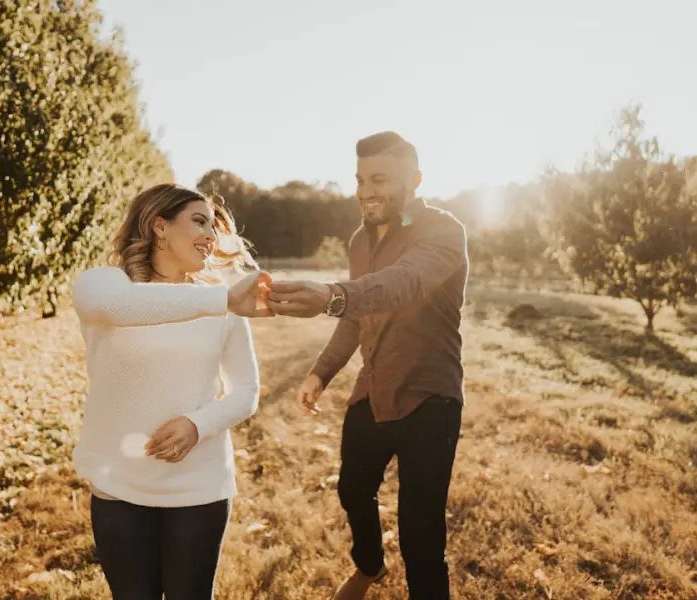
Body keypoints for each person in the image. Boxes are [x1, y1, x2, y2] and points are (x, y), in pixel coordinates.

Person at [267, 132, 468, 600]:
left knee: (421, 537)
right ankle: (371, 566)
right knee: (353, 491)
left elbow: (404, 283)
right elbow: (359, 315)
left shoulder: (443, 231)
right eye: (360, 179)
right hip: (372, 391)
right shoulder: (360, 240)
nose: (365, 190)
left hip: (430, 398)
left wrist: (333, 295)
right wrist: (321, 372)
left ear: (414, 180)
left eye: (379, 179)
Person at [70, 183, 272, 600]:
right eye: (198, 221)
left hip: (199, 487)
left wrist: (198, 425)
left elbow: (246, 391)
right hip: (118, 485)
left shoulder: (221, 304)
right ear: (159, 226)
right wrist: (217, 299)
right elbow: (119, 308)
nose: (210, 235)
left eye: (213, 226)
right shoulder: (102, 285)